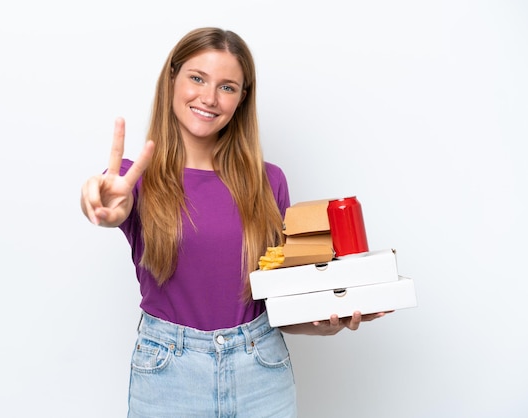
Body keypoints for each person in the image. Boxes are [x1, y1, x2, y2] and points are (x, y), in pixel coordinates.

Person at [80, 27, 387, 418]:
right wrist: (100, 200)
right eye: (197, 78)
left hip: (261, 370)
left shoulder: (268, 181)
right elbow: (107, 203)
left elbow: (277, 302)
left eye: (227, 87)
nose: (208, 97)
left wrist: (324, 323)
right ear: (171, 78)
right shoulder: (132, 178)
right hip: (168, 373)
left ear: (243, 98)